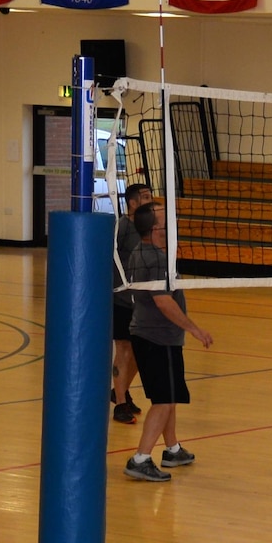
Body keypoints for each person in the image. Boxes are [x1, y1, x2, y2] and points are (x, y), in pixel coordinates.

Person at [122, 203, 214, 483]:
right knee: (163, 400)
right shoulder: (154, 258)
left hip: (153, 336)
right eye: (165, 220)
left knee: (169, 396)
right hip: (157, 338)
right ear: (155, 229)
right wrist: (194, 329)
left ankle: (172, 449)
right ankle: (141, 458)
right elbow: (163, 302)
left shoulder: (145, 252)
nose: (171, 224)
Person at [111, 182, 154, 425]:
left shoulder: (146, 227)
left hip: (142, 300)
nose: (151, 200)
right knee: (125, 350)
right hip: (121, 300)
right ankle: (120, 404)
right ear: (133, 203)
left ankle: (119, 392)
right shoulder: (122, 227)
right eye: (146, 197)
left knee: (140, 353)